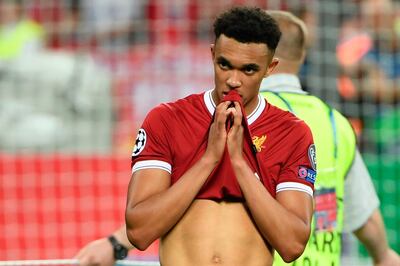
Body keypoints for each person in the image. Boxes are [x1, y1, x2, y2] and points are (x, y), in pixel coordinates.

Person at [75, 6, 317, 265]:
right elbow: (139, 232)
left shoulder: (292, 133)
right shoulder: (167, 120)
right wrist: (208, 160)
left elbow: (292, 245)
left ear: (270, 68)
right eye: (225, 65)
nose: (233, 80)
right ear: (212, 54)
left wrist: (238, 163)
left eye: (248, 70)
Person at [260, 10, 400, 266]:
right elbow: (365, 216)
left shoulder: (244, 115)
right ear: (302, 57)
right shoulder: (335, 123)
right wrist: (383, 255)